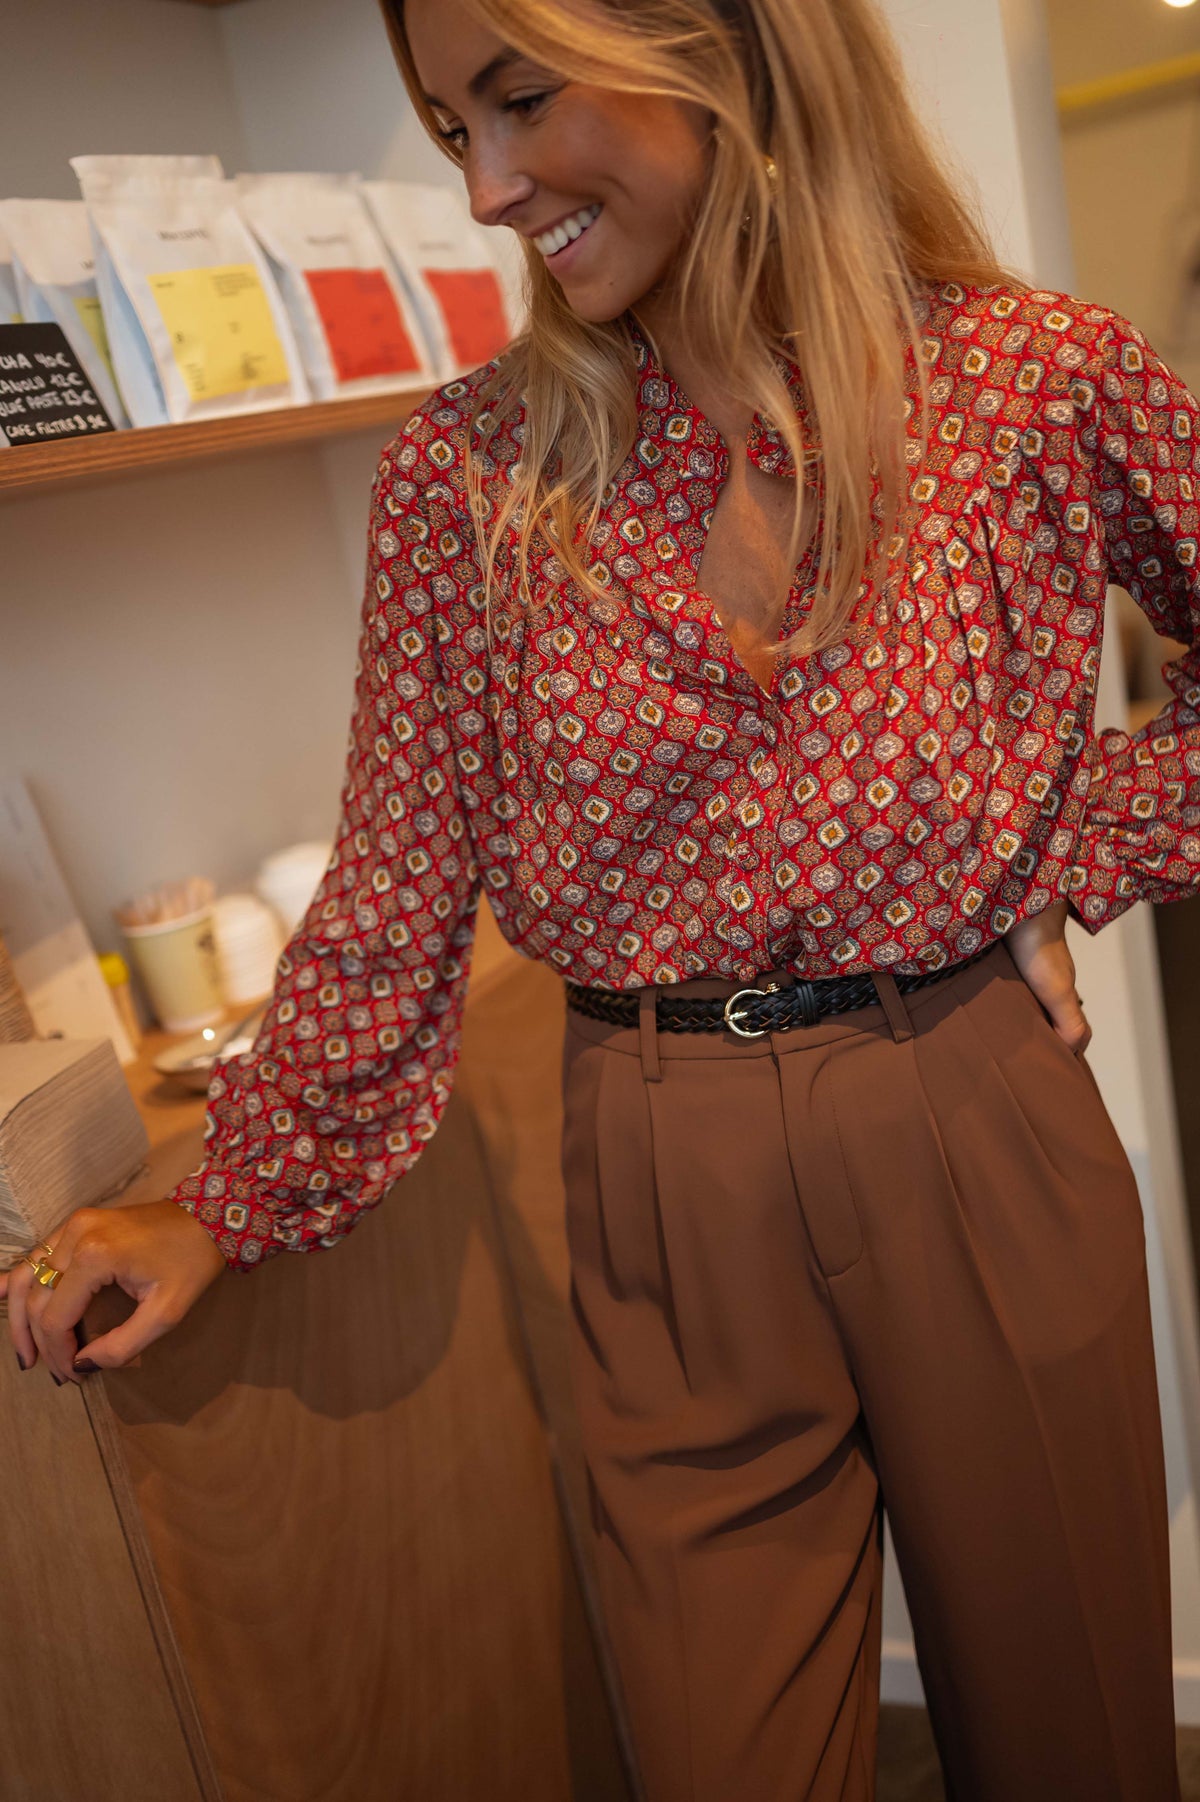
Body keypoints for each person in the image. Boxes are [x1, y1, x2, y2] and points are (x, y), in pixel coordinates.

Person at [5, 0, 1193, 1795]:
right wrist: (221, 1204)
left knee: (1077, 1736)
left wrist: (1060, 839)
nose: (485, 186)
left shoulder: (1036, 378)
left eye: (519, 95)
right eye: (446, 126)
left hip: (970, 1104)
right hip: (658, 1161)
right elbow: (399, 880)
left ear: (725, 48)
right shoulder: (465, 481)